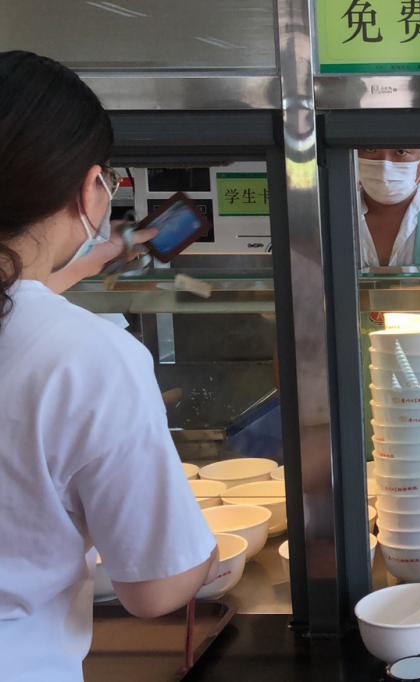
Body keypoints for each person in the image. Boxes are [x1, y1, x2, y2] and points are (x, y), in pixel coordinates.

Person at [0, 51, 219, 681]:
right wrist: (202, 551)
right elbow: (155, 589)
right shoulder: (87, 356)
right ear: (89, 186)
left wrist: (89, 260)